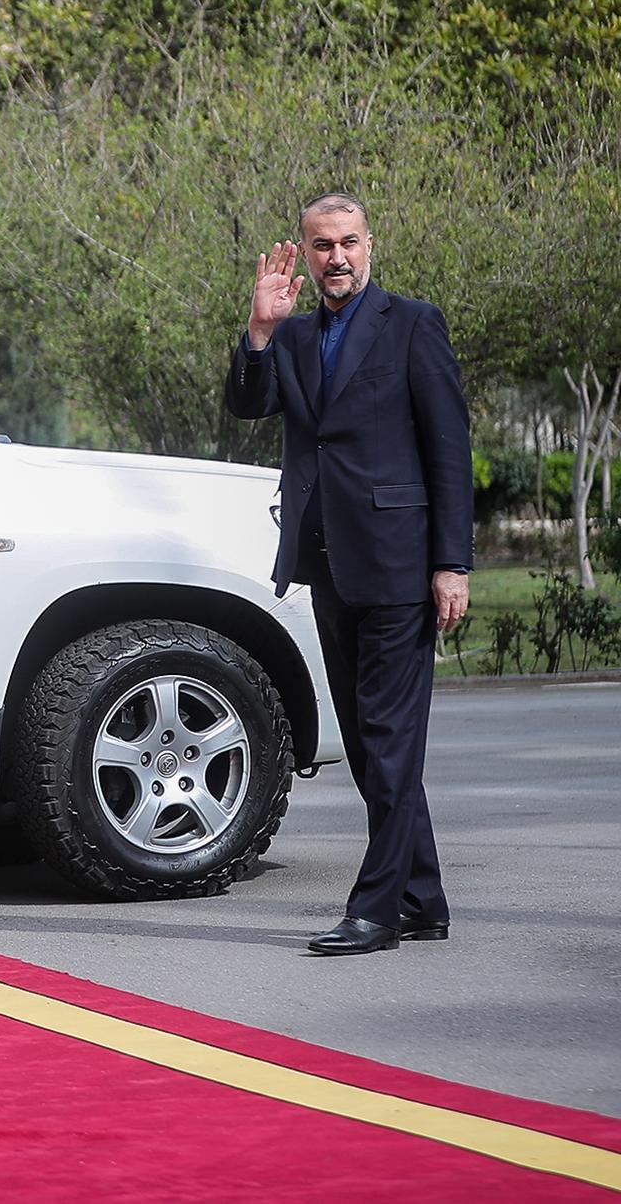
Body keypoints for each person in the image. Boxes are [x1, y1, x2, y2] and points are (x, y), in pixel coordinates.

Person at [224, 192, 473, 956]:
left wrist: (452, 562)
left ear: (370, 245)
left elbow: (448, 448)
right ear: (305, 252)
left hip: (401, 564)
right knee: (367, 745)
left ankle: (377, 909)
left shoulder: (413, 324)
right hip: (327, 564)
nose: (338, 256)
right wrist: (259, 331)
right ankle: (422, 898)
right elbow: (248, 405)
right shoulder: (295, 335)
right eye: (323, 244)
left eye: (349, 242)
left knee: (391, 744)